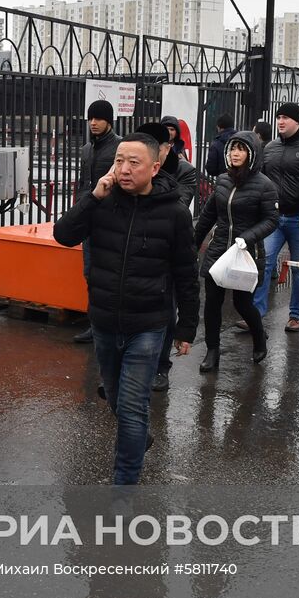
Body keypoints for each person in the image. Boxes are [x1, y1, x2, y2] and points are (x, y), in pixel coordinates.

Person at [53, 132, 199, 485]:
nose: (124, 169)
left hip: (148, 324)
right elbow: (63, 234)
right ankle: (138, 437)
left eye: (134, 162)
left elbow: (186, 273)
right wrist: (92, 197)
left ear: (155, 167)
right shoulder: (101, 202)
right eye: (119, 161)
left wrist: (186, 328)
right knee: (118, 400)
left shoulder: (174, 212)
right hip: (103, 318)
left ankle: (124, 486)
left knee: (133, 407)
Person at [193, 133, 278, 371]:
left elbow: (272, 220)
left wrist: (247, 237)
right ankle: (212, 350)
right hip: (219, 250)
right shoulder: (222, 180)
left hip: (246, 253)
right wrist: (193, 243)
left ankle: (259, 336)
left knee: (242, 304)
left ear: (252, 154)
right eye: (233, 149)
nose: (235, 153)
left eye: (241, 149)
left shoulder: (265, 185)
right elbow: (209, 215)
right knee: (212, 302)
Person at [251, 103, 299, 334]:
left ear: (297, 121)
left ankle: (296, 316)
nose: (280, 121)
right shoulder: (270, 148)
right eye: (278, 117)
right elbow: (260, 179)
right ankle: (255, 314)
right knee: (263, 264)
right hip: (274, 218)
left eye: (285, 117)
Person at [139, 121, 198, 392]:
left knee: (165, 311)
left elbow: (181, 205)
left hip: (167, 251)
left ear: (167, 148)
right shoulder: (131, 170)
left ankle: (161, 366)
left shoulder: (183, 172)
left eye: (156, 147)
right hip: (138, 253)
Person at [72, 100, 122, 344]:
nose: (93, 123)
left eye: (99, 118)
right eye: (91, 118)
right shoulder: (86, 150)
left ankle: (113, 324)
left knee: (112, 273)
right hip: (90, 220)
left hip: (112, 221)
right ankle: (96, 325)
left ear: (109, 121)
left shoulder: (120, 148)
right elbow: (83, 184)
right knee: (90, 272)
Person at [204, 113, 237, 178]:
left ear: (218, 127)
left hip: (223, 180)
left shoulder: (216, 143)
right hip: (240, 180)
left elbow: (211, 169)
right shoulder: (240, 140)